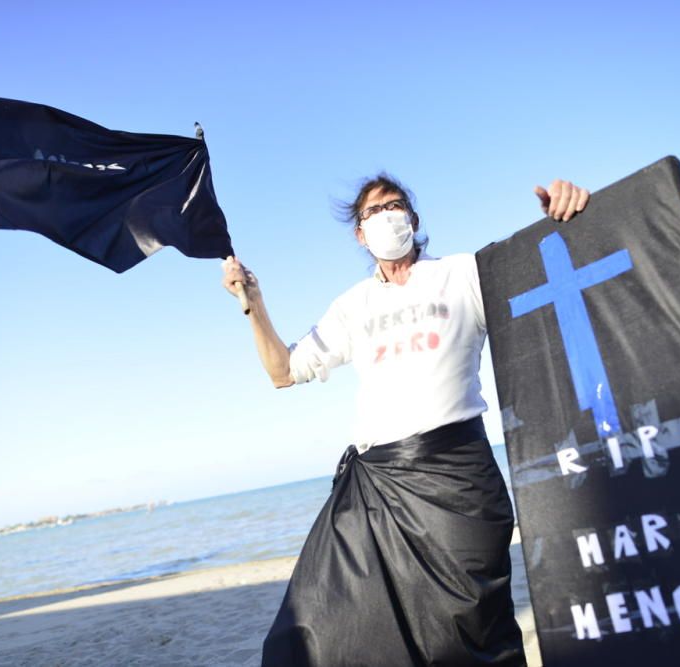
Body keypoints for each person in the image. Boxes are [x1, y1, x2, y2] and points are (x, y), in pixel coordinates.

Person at [222, 175, 590, 666]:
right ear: (359, 233)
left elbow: (551, 275)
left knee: (471, 639)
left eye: (394, 205)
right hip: (375, 489)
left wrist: (567, 218)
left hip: (458, 480)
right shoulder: (352, 306)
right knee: (311, 630)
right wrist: (253, 303)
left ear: (413, 220)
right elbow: (283, 371)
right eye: (371, 212)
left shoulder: (463, 273)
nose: (384, 216)